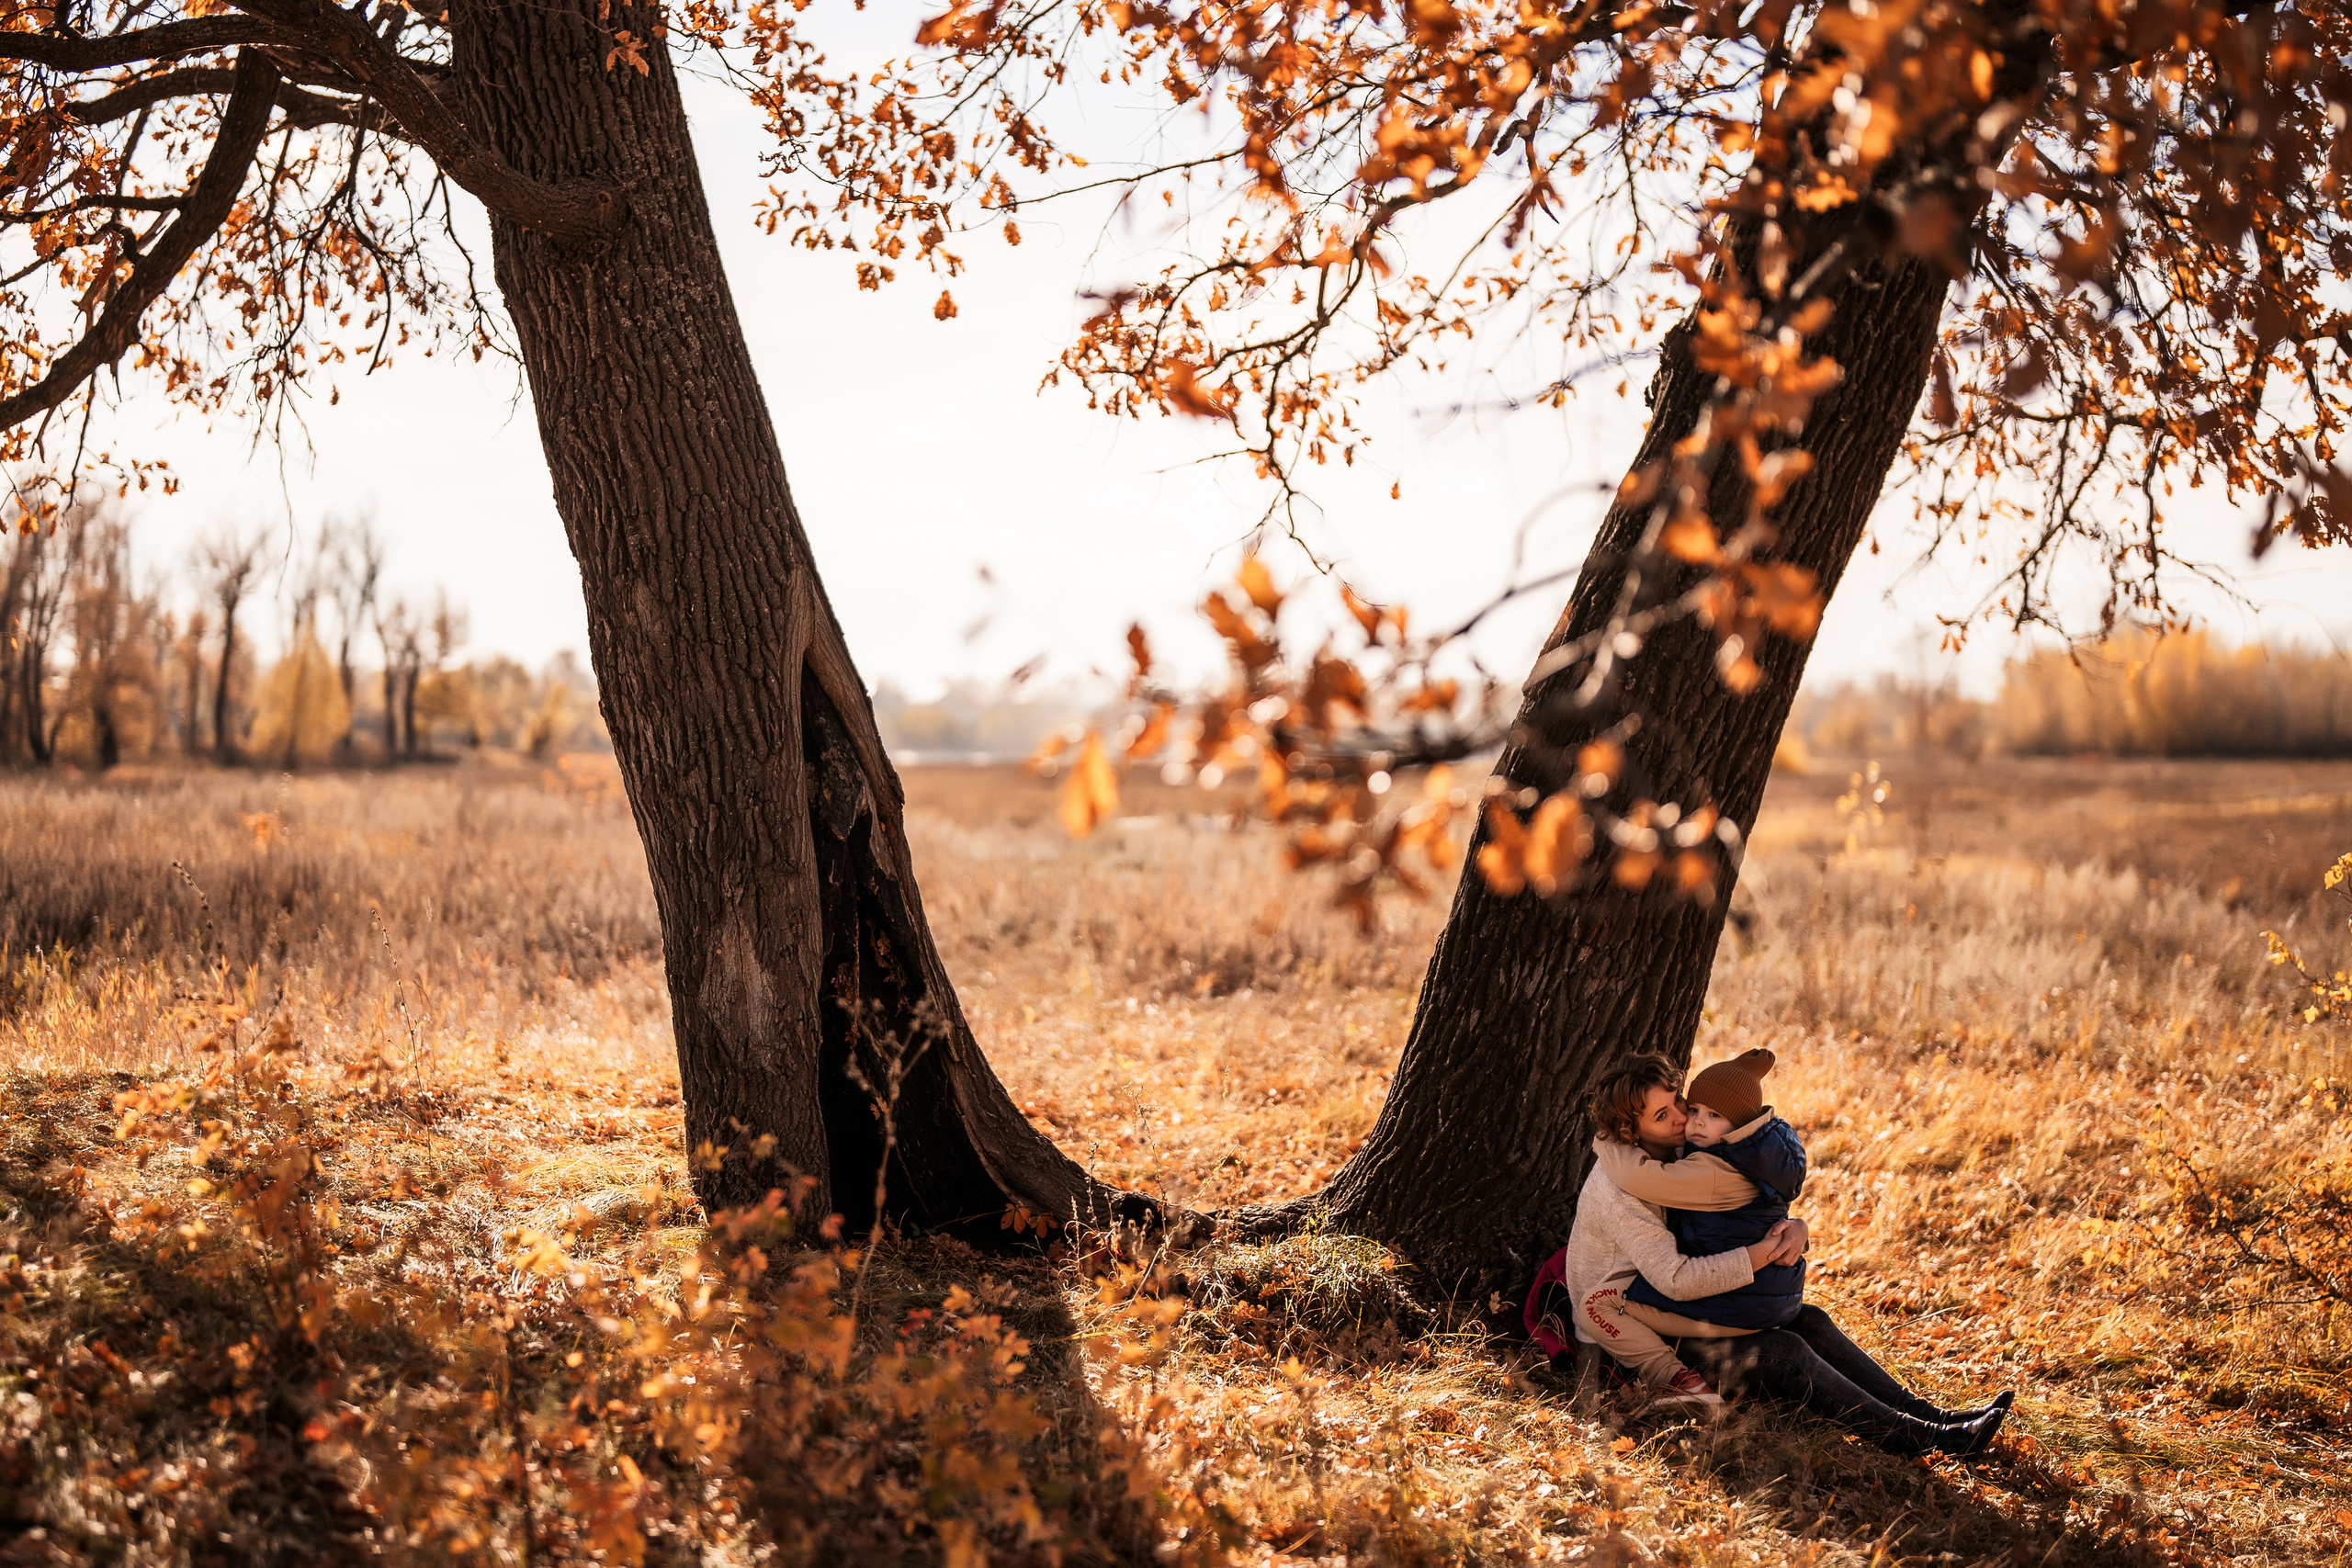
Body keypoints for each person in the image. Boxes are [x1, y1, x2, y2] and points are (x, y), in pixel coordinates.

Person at [1531, 1053, 2012, 1455]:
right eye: (1663, 1116)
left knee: (1809, 1319)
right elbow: (1676, 1278)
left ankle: (1932, 1415)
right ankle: (1924, 1440)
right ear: (1631, 1133)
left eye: (1678, 1100)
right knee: (1784, 1351)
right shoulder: (1622, 1192)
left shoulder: (1677, 1153)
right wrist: (1764, 1252)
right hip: (1636, 1333)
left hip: (1674, 1305)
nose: (1682, 1116)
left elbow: (1739, 1211)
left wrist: (1795, 1230)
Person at [1623, 1047, 1806, 1331]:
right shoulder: (1758, 1153)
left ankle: (1666, 1360)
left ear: (1740, 1124)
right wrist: (1800, 1227)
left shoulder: (1715, 1169)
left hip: (1736, 1298)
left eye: (1715, 1114)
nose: (1698, 1121)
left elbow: (1640, 1179)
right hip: (1769, 1290)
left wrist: (1607, 1142)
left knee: (1605, 1301)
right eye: (1694, 1109)